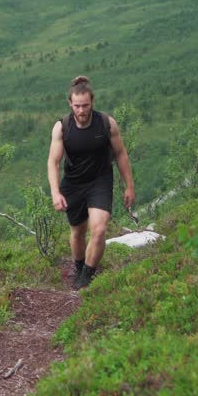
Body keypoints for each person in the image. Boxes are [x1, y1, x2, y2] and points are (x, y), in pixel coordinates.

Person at [47, 75, 135, 288]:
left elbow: (121, 154)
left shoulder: (106, 124)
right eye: (77, 106)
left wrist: (129, 186)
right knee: (77, 232)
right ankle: (78, 268)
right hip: (74, 183)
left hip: (100, 181)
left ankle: (86, 277)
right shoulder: (62, 127)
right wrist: (55, 192)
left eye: (85, 105)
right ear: (70, 104)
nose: (81, 111)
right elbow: (53, 161)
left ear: (92, 102)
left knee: (99, 230)